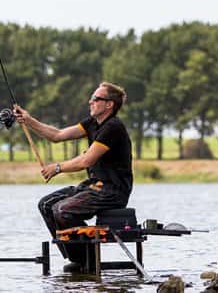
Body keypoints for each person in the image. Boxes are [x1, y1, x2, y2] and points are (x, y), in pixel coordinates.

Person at [13, 81, 133, 258]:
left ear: (109, 104)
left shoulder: (113, 127)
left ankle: (88, 260)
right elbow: (57, 135)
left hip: (112, 191)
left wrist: (58, 168)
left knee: (62, 210)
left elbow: (86, 160)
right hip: (93, 187)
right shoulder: (92, 123)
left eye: (95, 98)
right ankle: (75, 259)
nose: (90, 101)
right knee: (46, 205)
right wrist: (29, 121)